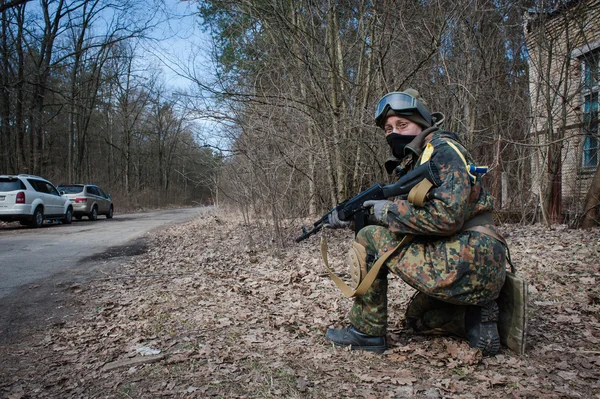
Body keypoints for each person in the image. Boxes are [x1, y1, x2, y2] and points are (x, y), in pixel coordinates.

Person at [324, 89, 507, 356]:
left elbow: (446, 218)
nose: (393, 133)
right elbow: (416, 220)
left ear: (422, 123)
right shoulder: (419, 159)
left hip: (468, 259)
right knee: (417, 321)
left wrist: (384, 212)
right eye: (388, 128)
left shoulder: (443, 151)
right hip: (474, 263)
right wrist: (353, 218)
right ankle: (474, 318)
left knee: (368, 238)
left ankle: (367, 331)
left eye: (402, 125)